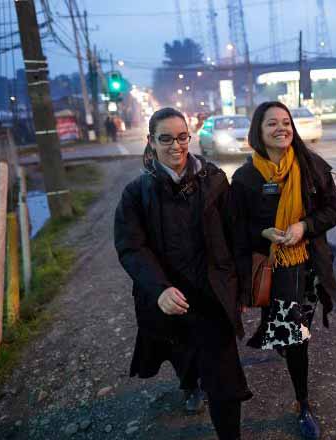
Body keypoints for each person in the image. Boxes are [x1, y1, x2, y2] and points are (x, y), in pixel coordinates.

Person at [114, 107, 252, 439]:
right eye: (165, 139)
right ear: (150, 142)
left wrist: (241, 289)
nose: (176, 146)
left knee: (224, 382)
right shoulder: (137, 193)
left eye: (182, 137)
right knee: (183, 357)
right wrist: (158, 289)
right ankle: (190, 385)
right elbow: (131, 248)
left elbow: (237, 236)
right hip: (169, 301)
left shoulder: (215, 180)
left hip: (212, 298)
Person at [230, 101, 336, 440]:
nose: (281, 128)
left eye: (286, 122)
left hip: (310, 267)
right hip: (274, 272)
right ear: (258, 132)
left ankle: (287, 351)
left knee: (299, 332)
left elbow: (334, 208)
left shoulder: (311, 165)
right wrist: (262, 234)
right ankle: (303, 402)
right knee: (296, 339)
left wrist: (305, 226)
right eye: (272, 124)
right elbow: (236, 228)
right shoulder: (246, 178)